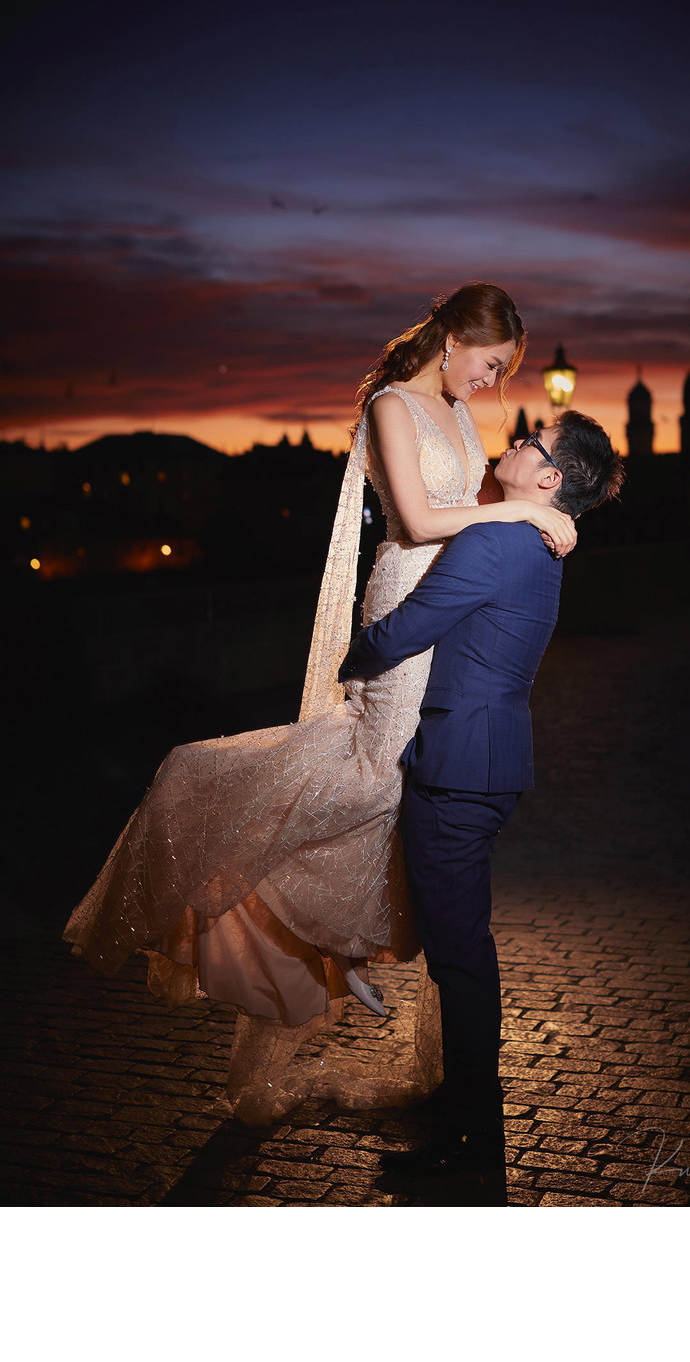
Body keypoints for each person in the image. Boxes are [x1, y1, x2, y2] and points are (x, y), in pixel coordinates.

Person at [63, 282, 577, 1125]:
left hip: (439, 604)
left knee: (401, 788)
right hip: (403, 597)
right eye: (489, 364)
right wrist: (523, 505)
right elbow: (416, 517)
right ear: (451, 340)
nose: (490, 385)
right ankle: (312, 930)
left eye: (499, 372)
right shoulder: (392, 406)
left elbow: (476, 511)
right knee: (373, 776)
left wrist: (544, 510)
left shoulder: (457, 413)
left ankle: (339, 945)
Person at [338, 411, 624, 1178]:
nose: (519, 436)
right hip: (484, 759)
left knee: (461, 957)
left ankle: (468, 1136)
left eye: (533, 438)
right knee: (459, 952)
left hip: (462, 766)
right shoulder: (531, 538)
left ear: (548, 478)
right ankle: (463, 1105)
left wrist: (348, 651)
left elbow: (404, 632)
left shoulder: (500, 538)